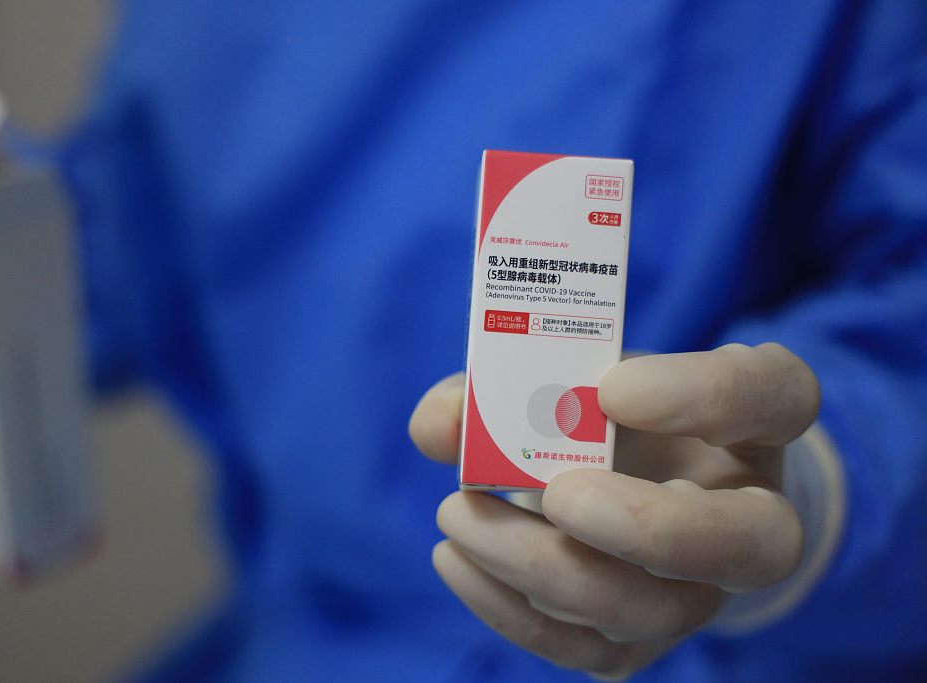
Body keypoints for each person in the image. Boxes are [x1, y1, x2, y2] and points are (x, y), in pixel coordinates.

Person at [62, 1, 927, 680]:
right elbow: (126, 225)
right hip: (313, 643)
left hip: (731, 653)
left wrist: (817, 484)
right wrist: (3, 241)